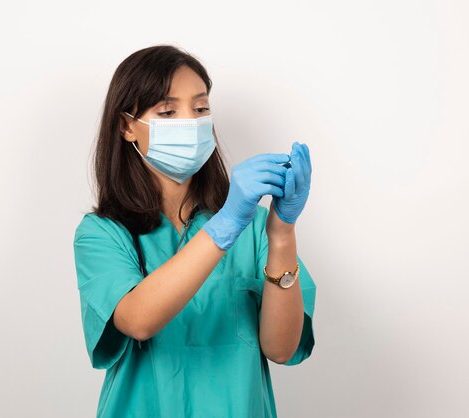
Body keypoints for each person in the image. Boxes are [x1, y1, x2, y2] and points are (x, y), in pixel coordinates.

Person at [73, 44, 316, 418]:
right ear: (126, 126)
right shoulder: (102, 233)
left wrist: (282, 232)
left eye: (201, 109)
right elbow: (137, 320)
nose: (190, 121)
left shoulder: (253, 229)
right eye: (168, 111)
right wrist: (226, 224)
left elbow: (281, 348)